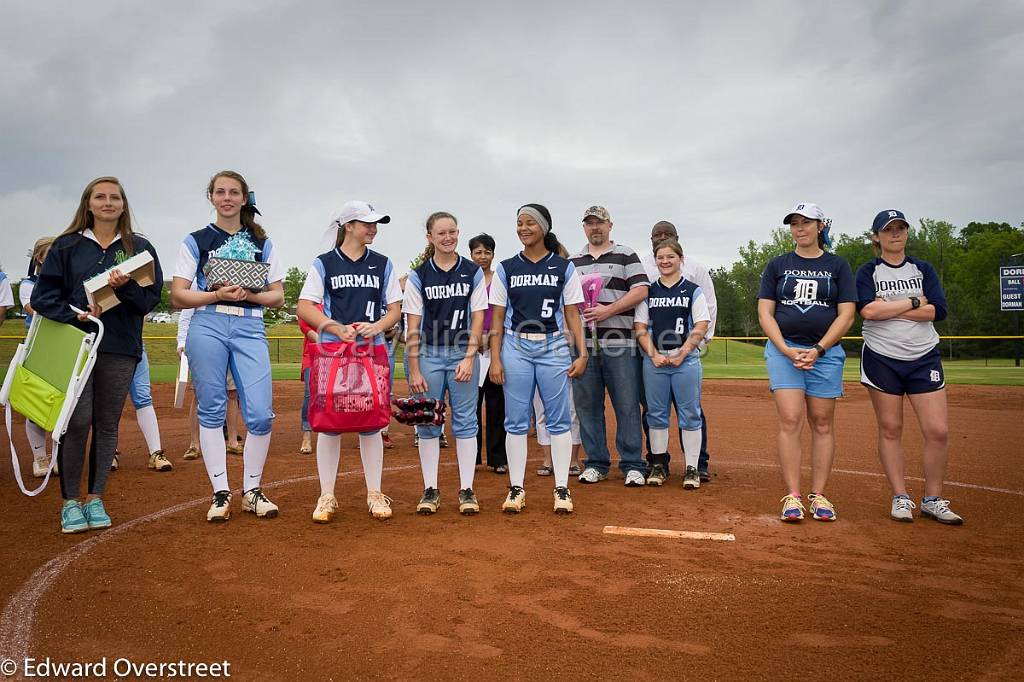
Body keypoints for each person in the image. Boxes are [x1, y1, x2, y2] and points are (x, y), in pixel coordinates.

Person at [31, 176, 163, 533]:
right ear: (87, 204)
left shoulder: (139, 248)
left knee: (107, 424)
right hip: (75, 345)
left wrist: (128, 286)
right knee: (76, 422)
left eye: (114, 197)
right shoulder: (66, 246)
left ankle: (96, 498)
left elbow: (151, 301)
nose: (108, 203)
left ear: (123, 204)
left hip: (120, 346)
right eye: (100, 197)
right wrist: (72, 313)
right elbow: (42, 298)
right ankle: (70, 502)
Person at [170, 170, 285, 522]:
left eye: (234, 192)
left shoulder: (262, 243)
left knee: (261, 413)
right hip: (208, 321)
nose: (227, 198)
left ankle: (252, 490)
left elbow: (278, 296)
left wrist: (250, 294)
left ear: (244, 197)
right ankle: (221, 492)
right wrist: (216, 293)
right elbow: (177, 294)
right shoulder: (196, 240)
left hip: (249, 325)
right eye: (220, 192)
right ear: (211, 197)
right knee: (212, 408)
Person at [297, 200, 403, 522]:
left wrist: (379, 326)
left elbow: (395, 309)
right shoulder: (325, 263)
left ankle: (374, 493)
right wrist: (332, 326)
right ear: (348, 226)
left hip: (371, 350)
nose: (373, 228)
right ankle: (326, 495)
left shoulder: (383, 263)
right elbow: (305, 307)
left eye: (375, 224)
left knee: (371, 423)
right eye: (366, 223)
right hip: (333, 352)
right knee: (330, 425)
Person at [857, 209, 963, 524]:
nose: (895, 233)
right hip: (881, 355)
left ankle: (932, 499)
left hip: (923, 355)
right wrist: (915, 302)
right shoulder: (868, 271)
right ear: (876, 236)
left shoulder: (923, 268)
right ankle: (900, 497)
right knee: (891, 428)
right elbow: (868, 312)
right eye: (888, 229)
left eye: (900, 228)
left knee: (938, 430)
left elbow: (939, 310)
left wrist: (888, 307)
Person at [757, 203, 855, 522]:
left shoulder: (837, 265)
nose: (800, 228)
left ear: (820, 226)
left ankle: (820, 495)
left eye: (806, 222)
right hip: (784, 351)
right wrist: (785, 349)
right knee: (790, 418)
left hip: (824, 354)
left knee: (822, 422)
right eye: (794, 223)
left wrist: (820, 349)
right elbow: (765, 313)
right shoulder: (778, 265)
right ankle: (793, 496)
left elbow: (847, 314)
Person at [488, 204, 588, 514]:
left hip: (553, 345)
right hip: (515, 345)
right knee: (515, 421)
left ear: (544, 227)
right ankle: (516, 489)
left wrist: (582, 352)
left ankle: (561, 489)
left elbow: (572, 312)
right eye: (519, 223)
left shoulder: (563, 267)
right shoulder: (507, 267)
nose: (523, 228)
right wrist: (495, 358)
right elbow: (498, 316)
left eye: (530, 223)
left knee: (558, 420)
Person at [404, 212, 488, 515]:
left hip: (461, 352)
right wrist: (414, 367)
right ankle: (431, 489)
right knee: (427, 422)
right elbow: (412, 324)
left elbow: (478, 316)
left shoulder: (471, 271)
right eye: (441, 233)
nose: (448, 237)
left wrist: (469, 356)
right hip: (428, 352)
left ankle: (467, 489)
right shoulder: (419, 275)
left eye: (452, 231)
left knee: (466, 421)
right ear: (430, 237)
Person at [569, 206, 649, 487]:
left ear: (610, 225)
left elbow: (641, 290)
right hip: (584, 347)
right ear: (584, 228)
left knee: (626, 405)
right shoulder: (573, 261)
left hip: (620, 344)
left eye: (599, 223)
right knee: (588, 407)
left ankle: (632, 464)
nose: (595, 228)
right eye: (590, 223)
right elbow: (566, 302)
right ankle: (596, 463)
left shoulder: (626, 255)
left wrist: (609, 310)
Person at [640, 221, 718, 482]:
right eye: (660, 257)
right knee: (656, 413)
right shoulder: (648, 292)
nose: (665, 261)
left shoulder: (692, 290)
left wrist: (684, 353)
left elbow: (702, 324)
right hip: (656, 359)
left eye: (670, 256)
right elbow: (639, 327)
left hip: (685, 360)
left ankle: (693, 468)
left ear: (680, 259)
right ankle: (659, 466)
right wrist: (653, 355)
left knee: (690, 413)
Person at [469, 233, 508, 473]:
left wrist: (493, 341)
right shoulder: (466, 280)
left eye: (487, 252)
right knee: (470, 406)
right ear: (470, 254)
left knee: (496, 405)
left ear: (493, 254)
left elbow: (503, 313)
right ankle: (471, 456)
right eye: (477, 252)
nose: (482, 257)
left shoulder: (499, 279)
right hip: (472, 349)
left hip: (495, 348)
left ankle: (497, 458)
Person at [19, 237, 57, 478]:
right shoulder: (28, 284)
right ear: (40, 258)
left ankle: (58, 457)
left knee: (64, 407)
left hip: (67, 348)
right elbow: (35, 309)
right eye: (52, 252)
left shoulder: (68, 281)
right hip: (39, 349)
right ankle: (40, 457)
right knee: (36, 405)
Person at [118, 346, 172, 472]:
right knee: (110, 400)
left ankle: (156, 453)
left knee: (143, 398)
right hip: (108, 348)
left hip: (135, 346)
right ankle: (109, 454)